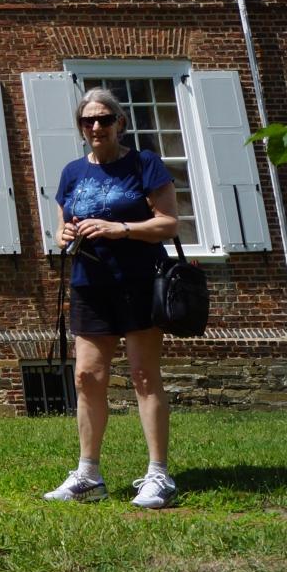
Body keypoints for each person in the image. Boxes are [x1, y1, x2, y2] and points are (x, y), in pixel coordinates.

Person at [41, 87, 182, 508]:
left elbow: (169, 224)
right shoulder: (71, 173)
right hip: (90, 284)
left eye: (105, 119)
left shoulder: (144, 164)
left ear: (120, 122)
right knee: (87, 377)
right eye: (89, 121)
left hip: (139, 282)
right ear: (81, 128)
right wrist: (62, 235)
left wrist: (120, 229)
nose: (97, 127)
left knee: (142, 376)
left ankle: (158, 475)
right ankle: (88, 475)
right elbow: (61, 226)